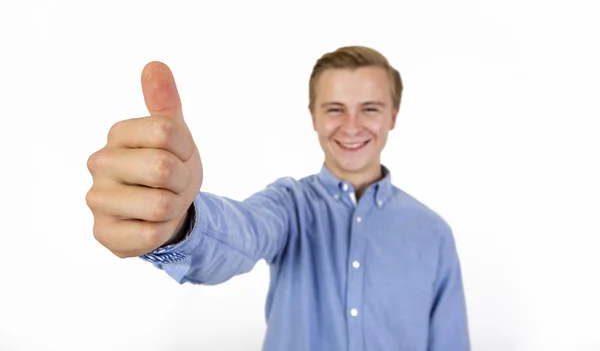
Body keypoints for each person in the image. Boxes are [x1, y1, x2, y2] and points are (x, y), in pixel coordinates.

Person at [86, 46, 471, 350]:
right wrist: (181, 222)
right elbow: (242, 233)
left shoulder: (433, 234)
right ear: (313, 117)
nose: (352, 126)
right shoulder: (289, 206)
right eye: (335, 109)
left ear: (393, 117)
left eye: (369, 109)